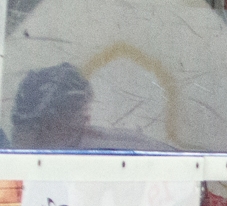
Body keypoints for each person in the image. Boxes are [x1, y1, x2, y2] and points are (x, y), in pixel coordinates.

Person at [10, 62, 171, 151]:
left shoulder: (112, 146)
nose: (87, 119)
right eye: (79, 110)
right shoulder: (17, 154)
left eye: (84, 109)